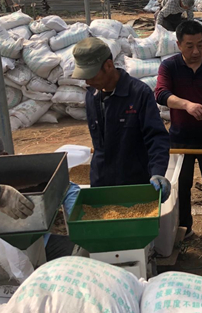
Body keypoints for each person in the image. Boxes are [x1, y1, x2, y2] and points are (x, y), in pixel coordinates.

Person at [154, 21, 202, 246]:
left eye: (200, 44)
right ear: (179, 44)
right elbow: (161, 94)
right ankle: (184, 227)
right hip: (181, 137)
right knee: (181, 186)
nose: (196, 51)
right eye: (190, 46)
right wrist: (187, 105)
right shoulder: (169, 67)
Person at [72, 38, 171, 202]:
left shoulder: (139, 94)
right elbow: (100, 145)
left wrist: (158, 172)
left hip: (135, 184)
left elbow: (156, 138)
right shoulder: (92, 96)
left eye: (91, 75)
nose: (87, 81)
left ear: (108, 66)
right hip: (102, 183)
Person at [0, 133, 77, 260]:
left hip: (36, 245)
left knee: (77, 252)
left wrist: (76, 222)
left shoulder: (22, 175)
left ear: (4, 156)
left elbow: (67, 187)